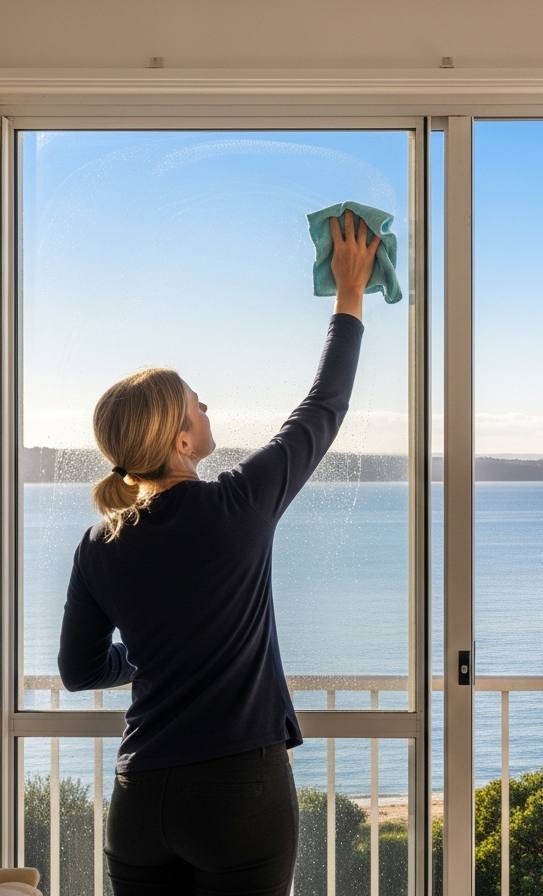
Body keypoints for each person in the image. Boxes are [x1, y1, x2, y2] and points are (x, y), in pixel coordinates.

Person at [57, 210, 380, 895]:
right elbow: (324, 406)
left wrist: (144, 658)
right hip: (240, 794)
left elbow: (79, 670)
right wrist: (351, 294)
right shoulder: (238, 505)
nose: (208, 407)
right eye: (195, 405)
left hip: (140, 797)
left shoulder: (100, 541)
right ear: (179, 440)